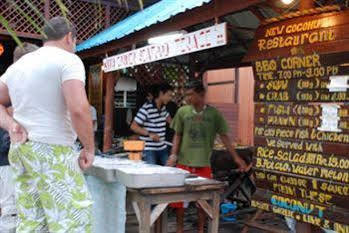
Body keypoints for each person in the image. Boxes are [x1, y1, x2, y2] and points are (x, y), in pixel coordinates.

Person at [0, 17, 94, 233]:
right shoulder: (68, 60)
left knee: (33, 220)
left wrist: (11, 124)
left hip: (22, 149)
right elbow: (79, 109)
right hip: (53, 150)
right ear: (70, 37)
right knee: (73, 220)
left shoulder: (20, 65)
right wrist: (89, 148)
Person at [167, 79, 251, 233]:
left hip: (204, 166)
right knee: (179, 204)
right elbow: (177, 134)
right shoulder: (182, 112)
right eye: (187, 95)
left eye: (191, 95)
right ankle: (179, 230)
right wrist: (173, 155)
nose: (188, 98)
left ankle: (200, 230)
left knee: (203, 204)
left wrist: (236, 158)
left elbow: (224, 137)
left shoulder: (214, 114)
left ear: (201, 94)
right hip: (183, 165)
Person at [0, 43, 39, 233]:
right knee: (12, 210)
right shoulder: (9, 83)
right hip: (8, 156)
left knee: (21, 209)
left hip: (17, 156)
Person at [131, 84, 173, 165]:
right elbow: (133, 126)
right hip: (149, 149)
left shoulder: (163, 108)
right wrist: (149, 134)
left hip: (162, 147)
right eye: (169, 95)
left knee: (169, 170)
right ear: (161, 94)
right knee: (151, 173)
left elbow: (172, 123)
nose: (170, 98)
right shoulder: (146, 108)